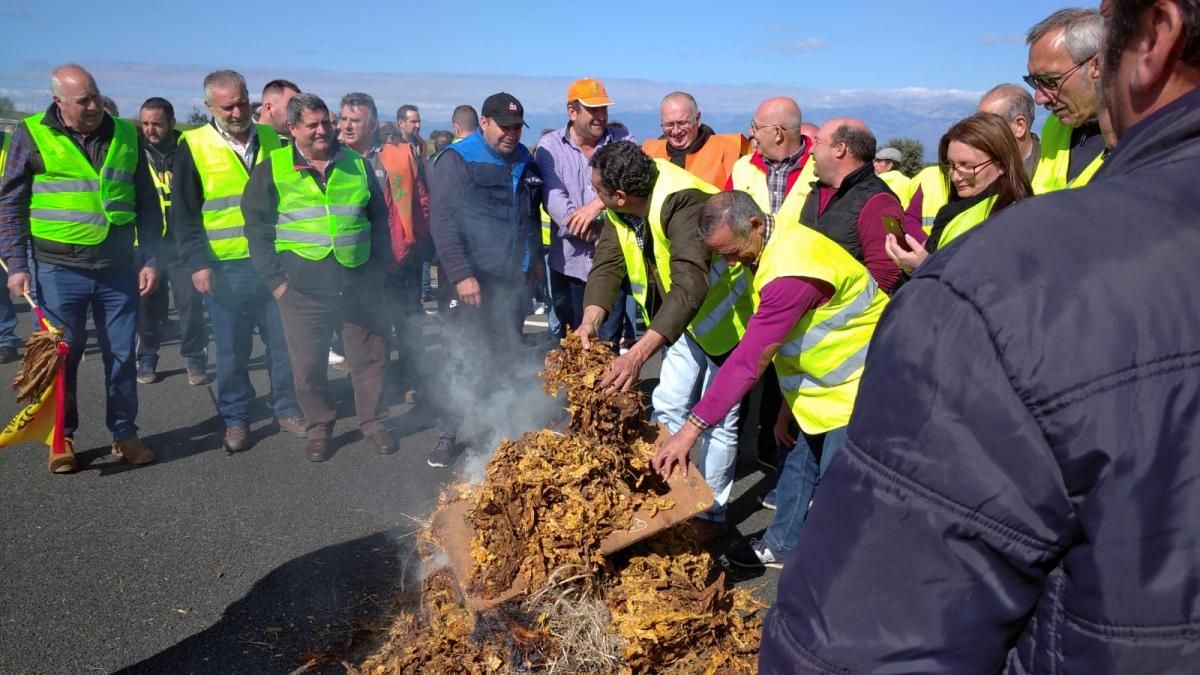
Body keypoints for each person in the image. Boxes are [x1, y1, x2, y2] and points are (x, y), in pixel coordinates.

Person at [759, 0, 1200, 670]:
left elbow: (874, 630)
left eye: (1054, 82)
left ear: (1156, 35)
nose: (1046, 102)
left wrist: (938, 284)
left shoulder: (1006, 283)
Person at [653, 190, 888, 568]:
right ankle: (783, 544)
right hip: (818, 386)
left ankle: (833, 573)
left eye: (731, 251)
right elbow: (792, 342)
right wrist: (784, 406)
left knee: (836, 487)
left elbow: (749, 361)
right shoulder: (771, 244)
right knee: (797, 461)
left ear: (755, 224)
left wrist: (690, 429)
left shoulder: (789, 271)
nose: (729, 263)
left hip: (858, 384)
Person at [577, 142, 754, 540]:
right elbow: (608, 262)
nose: (596, 198)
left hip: (728, 322)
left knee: (719, 423)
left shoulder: (683, 202)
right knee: (669, 404)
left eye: (598, 191)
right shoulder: (622, 209)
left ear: (620, 195)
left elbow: (691, 283)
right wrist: (590, 320)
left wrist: (637, 355)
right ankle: (668, 497)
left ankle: (712, 515)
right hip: (680, 325)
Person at [0, 64, 161, 473]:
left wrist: (151, 257)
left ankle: (125, 434)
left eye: (95, 95)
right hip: (58, 269)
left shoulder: (126, 133)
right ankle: (61, 438)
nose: (93, 105)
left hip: (118, 268)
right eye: (83, 100)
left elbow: (146, 200)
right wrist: (17, 265)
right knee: (61, 358)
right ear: (59, 102)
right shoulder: (32, 133)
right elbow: (11, 203)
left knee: (122, 356)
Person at [244, 93, 395, 462]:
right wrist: (276, 284)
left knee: (370, 359)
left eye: (326, 122)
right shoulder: (273, 168)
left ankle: (373, 422)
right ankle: (319, 427)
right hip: (301, 290)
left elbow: (379, 223)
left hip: (358, 283)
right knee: (308, 367)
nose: (322, 131)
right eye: (312, 125)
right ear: (292, 128)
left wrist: (378, 275)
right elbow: (257, 229)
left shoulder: (357, 164)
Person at [172, 69, 304, 454]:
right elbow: (184, 213)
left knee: (282, 344)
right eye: (227, 106)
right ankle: (236, 418)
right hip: (224, 267)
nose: (236, 112)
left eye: (241, 103)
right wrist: (198, 263)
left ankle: (287, 408)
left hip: (272, 263)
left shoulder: (271, 138)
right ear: (209, 106)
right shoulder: (193, 145)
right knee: (232, 351)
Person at [426, 92, 543, 468]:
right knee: (462, 354)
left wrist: (535, 262)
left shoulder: (524, 159)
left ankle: (501, 429)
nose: (511, 134)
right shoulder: (458, 160)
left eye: (516, 127)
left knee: (506, 353)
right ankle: (448, 432)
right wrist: (462, 275)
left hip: (512, 278)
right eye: (504, 127)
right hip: (471, 280)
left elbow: (530, 215)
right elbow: (442, 222)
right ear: (484, 122)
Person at [338, 92, 426, 400]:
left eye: (355, 121)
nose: (347, 126)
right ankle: (373, 385)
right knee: (366, 326)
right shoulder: (332, 156)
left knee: (406, 320)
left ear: (373, 123)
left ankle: (412, 379)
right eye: (344, 119)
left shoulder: (399, 154)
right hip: (352, 256)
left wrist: (420, 243)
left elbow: (420, 198)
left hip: (399, 254)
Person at [535, 77, 637, 340]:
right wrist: (599, 235)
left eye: (603, 109)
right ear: (572, 111)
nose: (600, 117)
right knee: (572, 342)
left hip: (613, 264)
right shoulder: (550, 146)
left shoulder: (623, 139)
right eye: (593, 110)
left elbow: (636, 180)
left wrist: (597, 203)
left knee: (607, 341)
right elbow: (555, 202)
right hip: (568, 264)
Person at [886, 113, 1034, 272]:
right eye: (950, 165)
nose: (955, 176)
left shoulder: (1012, 219)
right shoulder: (955, 210)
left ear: (1001, 165)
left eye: (968, 167)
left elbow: (989, 285)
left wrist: (925, 267)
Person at [135, 96, 209, 386]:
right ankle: (147, 357)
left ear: (171, 122)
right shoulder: (135, 152)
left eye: (157, 124)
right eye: (145, 124)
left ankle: (194, 357)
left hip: (182, 243)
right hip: (148, 242)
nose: (150, 130)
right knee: (147, 305)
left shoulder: (187, 149)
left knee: (190, 303)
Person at [804, 118, 903, 294]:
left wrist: (833, 310)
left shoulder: (880, 202)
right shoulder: (816, 193)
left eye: (817, 142)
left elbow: (886, 274)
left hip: (845, 319)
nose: (810, 150)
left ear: (840, 149)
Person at [1025, 7, 1107, 192]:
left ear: (1098, 66)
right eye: (1034, 81)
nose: (1039, 98)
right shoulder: (1054, 126)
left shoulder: (1148, 135)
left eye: (1050, 81)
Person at [643, 92, 750, 188]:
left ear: (697, 119)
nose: (676, 131)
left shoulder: (730, 150)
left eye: (682, 123)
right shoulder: (647, 155)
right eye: (669, 125)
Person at [978, 83, 1042, 178]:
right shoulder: (974, 169)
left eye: (988, 125)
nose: (979, 134)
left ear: (1019, 126)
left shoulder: (1053, 166)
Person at [0, 130, 23, 364]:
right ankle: (5, 338)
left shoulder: (12, 145)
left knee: (31, 286)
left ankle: (6, 338)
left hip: (13, 228)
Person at [259, 79, 301, 145]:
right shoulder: (246, 139)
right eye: (290, 107)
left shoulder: (300, 143)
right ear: (269, 108)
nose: (296, 113)